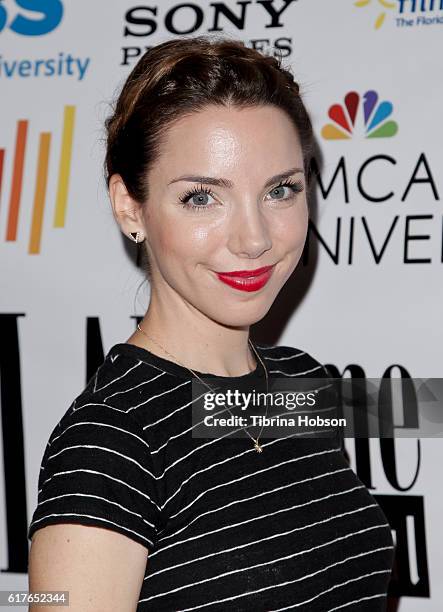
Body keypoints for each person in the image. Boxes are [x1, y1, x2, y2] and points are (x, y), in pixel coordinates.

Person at [27, 35, 394, 611]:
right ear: (130, 206)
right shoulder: (112, 440)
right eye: (202, 197)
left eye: (280, 190)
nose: (254, 239)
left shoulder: (301, 383)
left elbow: (415, 408)